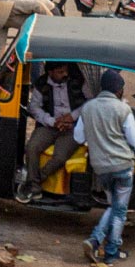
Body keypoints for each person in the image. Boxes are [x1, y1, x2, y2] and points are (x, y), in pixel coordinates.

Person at [73, 70, 135, 265]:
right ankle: (110, 251)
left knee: (113, 205)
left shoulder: (87, 108)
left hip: (100, 168)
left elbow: (78, 137)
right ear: (119, 89)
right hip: (123, 166)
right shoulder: (122, 109)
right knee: (119, 210)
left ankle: (96, 240)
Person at [22, 62, 88, 194]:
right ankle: (34, 186)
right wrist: (52, 122)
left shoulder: (77, 80)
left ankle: (36, 179)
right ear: (50, 73)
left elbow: (90, 103)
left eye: (65, 71)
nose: (65, 75)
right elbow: (34, 108)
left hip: (72, 126)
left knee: (60, 157)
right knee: (32, 148)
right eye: (60, 72)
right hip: (49, 125)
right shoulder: (41, 84)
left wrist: (72, 116)